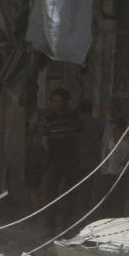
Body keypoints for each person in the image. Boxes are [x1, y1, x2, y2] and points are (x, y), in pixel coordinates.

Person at [40, 88, 83, 232]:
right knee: (50, 195)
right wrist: (52, 154)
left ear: (67, 101)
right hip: (54, 160)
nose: (58, 104)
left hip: (70, 161)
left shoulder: (74, 116)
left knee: (70, 195)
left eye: (61, 101)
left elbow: (79, 138)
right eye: (55, 101)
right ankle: (50, 230)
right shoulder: (49, 117)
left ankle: (67, 228)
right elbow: (45, 139)